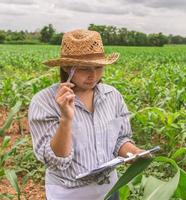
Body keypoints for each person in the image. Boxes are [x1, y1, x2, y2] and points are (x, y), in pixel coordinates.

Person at [28, 29, 144, 200]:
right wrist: (66, 119)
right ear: (67, 67)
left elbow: (120, 139)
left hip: (110, 190)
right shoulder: (44, 102)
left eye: (98, 67)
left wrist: (134, 152)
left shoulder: (112, 96)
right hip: (70, 193)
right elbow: (56, 161)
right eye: (84, 69)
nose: (93, 75)